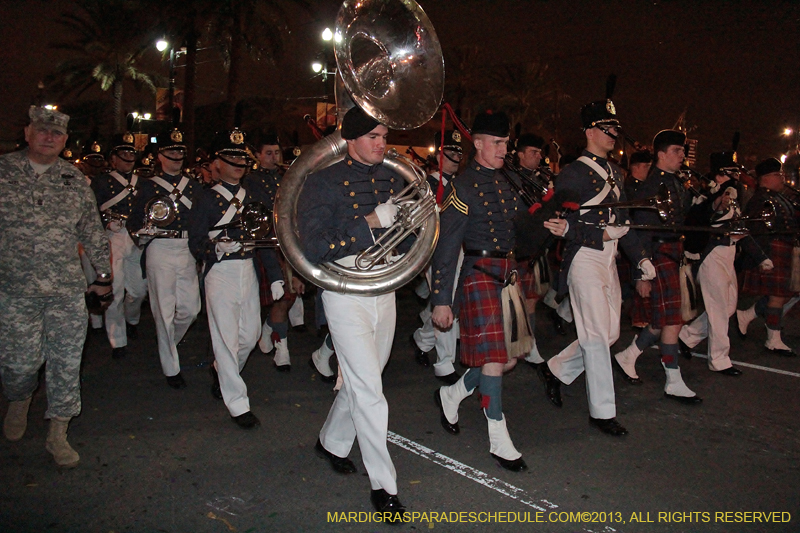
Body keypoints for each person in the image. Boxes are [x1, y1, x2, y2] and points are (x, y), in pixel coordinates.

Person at [298, 106, 407, 519]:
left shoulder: (393, 178)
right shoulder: (322, 182)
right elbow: (315, 246)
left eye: (384, 136)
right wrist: (370, 223)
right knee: (369, 390)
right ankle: (385, 486)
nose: (382, 144)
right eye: (374, 137)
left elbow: (407, 230)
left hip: (385, 285)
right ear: (351, 140)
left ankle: (331, 441)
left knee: (367, 378)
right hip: (344, 289)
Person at [0, 106, 111, 467]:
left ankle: (58, 433)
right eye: (42, 131)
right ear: (28, 133)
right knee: (18, 366)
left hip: (65, 289)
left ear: (64, 141)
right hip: (15, 289)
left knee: (66, 363)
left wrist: (103, 277)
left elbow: (93, 231)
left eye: (57, 134)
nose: (49, 138)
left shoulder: (75, 181)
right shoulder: (3, 172)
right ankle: (20, 398)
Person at [538, 98, 654, 436]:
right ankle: (603, 412)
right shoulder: (573, 173)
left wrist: (641, 258)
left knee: (610, 334)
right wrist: (600, 231)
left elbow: (625, 221)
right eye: (609, 128)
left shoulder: (617, 172)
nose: (615, 133)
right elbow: (559, 221)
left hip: (610, 256)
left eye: (615, 127)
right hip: (584, 256)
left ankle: (555, 369)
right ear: (591, 131)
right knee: (596, 338)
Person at [431, 111, 531, 471]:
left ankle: (453, 393)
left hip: (508, 274)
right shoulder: (463, 186)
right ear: (478, 144)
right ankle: (498, 434)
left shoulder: (508, 181)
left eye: (506, 143)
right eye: (498, 143)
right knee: (494, 359)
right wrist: (442, 299)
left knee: (510, 358)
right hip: (478, 274)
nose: (505, 149)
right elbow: (445, 247)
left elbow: (524, 228)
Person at [189, 129, 284, 429]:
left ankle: (222, 370)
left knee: (250, 334)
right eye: (230, 160)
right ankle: (238, 403)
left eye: (241, 159)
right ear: (216, 164)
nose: (237, 165)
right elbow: (195, 242)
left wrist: (277, 277)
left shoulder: (252, 197)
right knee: (226, 337)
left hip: (248, 270)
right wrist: (215, 246)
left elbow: (263, 238)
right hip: (220, 272)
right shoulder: (205, 199)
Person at [611, 130, 702, 404]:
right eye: (676, 150)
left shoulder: (675, 183)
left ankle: (629, 355)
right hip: (658, 253)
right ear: (661, 155)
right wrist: (642, 272)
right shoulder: (651, 187)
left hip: (673, 251)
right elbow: (639, 229)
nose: (681, 155)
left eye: (682, 150)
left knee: (664, 318)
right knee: (672, 319)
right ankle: (673, 380)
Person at [676, 153, 771, 375]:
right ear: (721, 173)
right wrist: (717, 201)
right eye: (732, 171)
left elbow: (740, 230)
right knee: (718, 309)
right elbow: (707, 215)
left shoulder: (733, 197)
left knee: (727, 307)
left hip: (728, 255)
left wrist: (761, 257)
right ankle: (719, 359)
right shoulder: (708, 195)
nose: (737, 175)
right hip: (712, 256)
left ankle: (686, 336)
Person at [128, 128, 202, 389]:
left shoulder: (193, 187)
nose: (176, 156)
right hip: (160, 248)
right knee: (163, 310)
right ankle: (170, 366)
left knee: (190, 309)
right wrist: (144, 232)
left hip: (186, 249)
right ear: (159, 156)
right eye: (171, 151)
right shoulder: (147, 186)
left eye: (180, 151)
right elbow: (134, 222)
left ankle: (169, 341)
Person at [244, 133, 304, 371]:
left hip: (287, 242)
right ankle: (282, 350)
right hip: (264, 244)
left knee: (290, 296)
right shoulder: (250, 181)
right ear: (257, 156)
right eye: (268, 153)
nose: (274, 157)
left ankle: (269, 328)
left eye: (277, 152)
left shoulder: (286, 177)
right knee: (280, 298)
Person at [411, 129, 463, 383]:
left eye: (458, 153)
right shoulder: (425, 185)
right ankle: (445, 363)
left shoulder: (460, 185)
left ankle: (422, 340)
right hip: (436, 253)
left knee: (452, 305)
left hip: (460, 251)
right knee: (446, 302)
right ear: (440, 155)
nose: (456, 158)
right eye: (451, 152)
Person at [90, 132, 149, 359]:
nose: (127, 158)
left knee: (138, 290)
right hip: (112, 238)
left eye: (131, 154)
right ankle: (118, 340)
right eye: (122, 154)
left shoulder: (142, 183)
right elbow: (92, 212)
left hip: (135, 237)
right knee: (115, 290)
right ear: (113, 159)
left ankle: (132, 319)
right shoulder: (101, 182)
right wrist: (105, 224)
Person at [737, 157, 799, 355]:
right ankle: (773, 338)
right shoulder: (760, 199)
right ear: (765, 178)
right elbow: (754, 229)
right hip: (772, 249)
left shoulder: (780, 198)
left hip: (785, 249)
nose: (781, 179)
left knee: (785, 293)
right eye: (777, 175)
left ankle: (748, 314)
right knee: (778, 297)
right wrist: (762, 257)